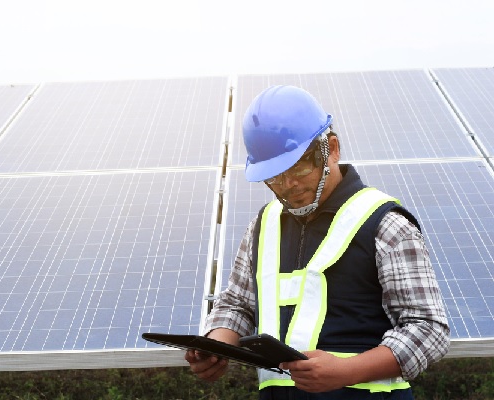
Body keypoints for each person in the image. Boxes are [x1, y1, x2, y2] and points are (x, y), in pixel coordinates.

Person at [185, 85, 450, 399]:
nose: (289, 185)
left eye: (299, 167)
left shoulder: (385, 224)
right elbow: (238, 305)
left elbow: (428, 328)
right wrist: (217, 346)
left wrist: (346, 371)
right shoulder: (263, 225)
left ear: (332, 149)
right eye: (275, 176)